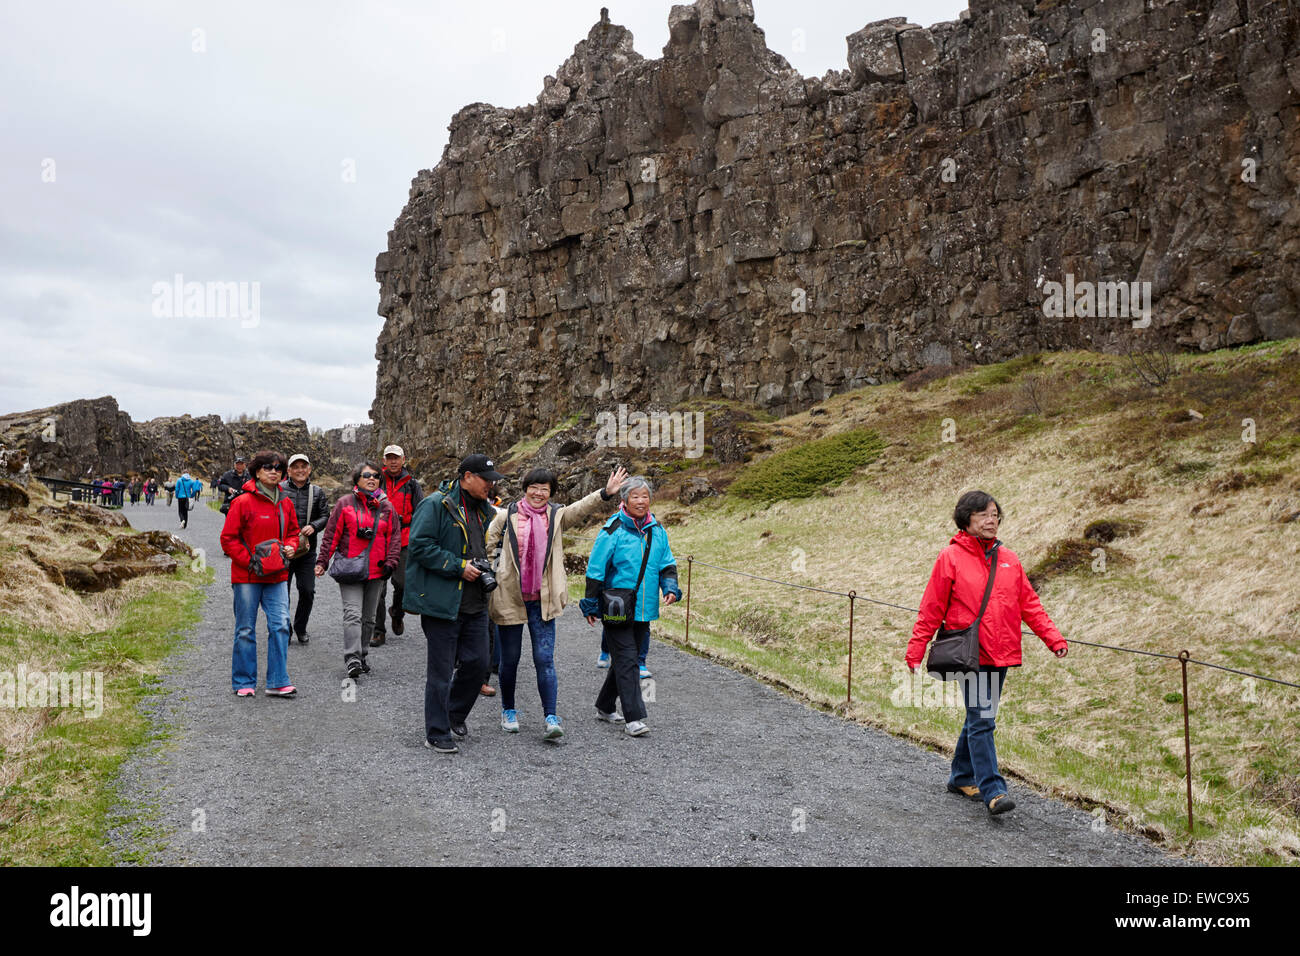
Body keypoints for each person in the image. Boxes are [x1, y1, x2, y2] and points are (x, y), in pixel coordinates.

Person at [906, 490, 1069, 816]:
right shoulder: (949, 558)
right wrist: (916, 649)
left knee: (978, 717)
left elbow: (1029, 604)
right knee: (983, 720)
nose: (991, 520)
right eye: (983, 515)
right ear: (966, 520)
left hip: (1003, 651)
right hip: (968, 653)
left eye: (994, 514)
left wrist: (1053, 638)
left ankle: (961, 777)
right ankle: (994, 790)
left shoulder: (1009, 559)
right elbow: (931, 608)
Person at [486, 465, 626, 740]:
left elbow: (580, 508)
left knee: (544, 659)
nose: (538, 493)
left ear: (551, 493)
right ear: (525, 488)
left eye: (545, 489)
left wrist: (605, 493)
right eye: (534, 488)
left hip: (544, 599)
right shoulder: (505, 516)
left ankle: (551, 716)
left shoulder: (556, 516)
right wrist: (499, 571)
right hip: (510, 597)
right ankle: (509, 710)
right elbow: (489, 547)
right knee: (510, 659)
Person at [405, 453, 503, 754]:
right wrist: (458, 565)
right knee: (441, 671)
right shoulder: (436, 504)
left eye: (492, 480)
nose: (491, 485)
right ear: (466, 477)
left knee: (478, 664)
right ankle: (436, 732)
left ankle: (453, 715)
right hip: (442, 603)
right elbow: (419, 546)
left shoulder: (486, 510)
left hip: (475, 601)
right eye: (485, 479)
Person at [579, 477, 681, 738]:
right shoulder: (613, 530)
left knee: (627, 660)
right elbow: (595, 570)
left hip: (644, 608)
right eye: (635, 496)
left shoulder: (657, 530)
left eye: (644, 496)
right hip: (616, 607)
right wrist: (591, 603)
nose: (640, 501)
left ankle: (604, 706)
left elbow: (667, 563)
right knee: (628, 661)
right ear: (624, 500)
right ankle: (634, 718)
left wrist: (670, 588)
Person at [219, 450, 301, 698]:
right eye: (268, 467)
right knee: (245, 629)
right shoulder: (242, 502)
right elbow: (228, 539)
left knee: (281, 626)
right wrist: (250, 562)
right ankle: (244, 681)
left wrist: (292, 546)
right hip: (247, 577)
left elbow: (294, 533)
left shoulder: (285, 503)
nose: (274, 471)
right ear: (257, 471)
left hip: (277, 576)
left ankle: (277, 681)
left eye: (278, 468)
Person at [315, 462, 400, 679]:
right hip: (350, 569)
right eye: (366, 475)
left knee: (369, 618)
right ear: (357, 480)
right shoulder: (345, 503)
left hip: (377, 571)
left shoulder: (387, 508)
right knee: (353, 614)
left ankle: (362, 655)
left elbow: (394, 539)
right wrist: (322, 561)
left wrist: (392, 562)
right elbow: (331, 534)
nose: (372, 478)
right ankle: (352, 658)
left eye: (376, 476)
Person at [372, 445, 423, 646]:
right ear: (384, 460)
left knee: (402, 583)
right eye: (389, 458)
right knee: (378, 588)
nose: (393, 461)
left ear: (403, 460)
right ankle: (378, 631)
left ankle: (397, 611)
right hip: (378, 539)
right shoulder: (375, 481)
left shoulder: (412, 484)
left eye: (397, 458)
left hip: (403, 539)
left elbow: (421, 512)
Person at [281, 453, 331, 644]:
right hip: (284, 550)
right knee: (281, 593)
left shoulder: (317, 492)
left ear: (309, 469)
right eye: (296, 467)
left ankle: (301, 627)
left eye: (304, 466)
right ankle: (285, 629)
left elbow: (325, 515)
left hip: (307, 551)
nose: (300, 470)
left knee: (307, 591)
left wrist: (314, 526)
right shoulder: (280, 490)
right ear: (289, 471)